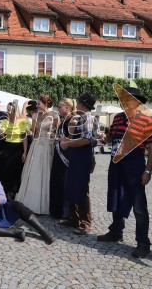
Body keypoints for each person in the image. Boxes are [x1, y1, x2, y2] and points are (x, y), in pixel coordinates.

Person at [96, 88, 152, 258]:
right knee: (116, 197)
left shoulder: (147, 120)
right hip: (116, 162)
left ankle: (143, 243)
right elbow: (111, 139)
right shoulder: (117, 118)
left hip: (134, 164)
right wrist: (105, 137)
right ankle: (116, 231)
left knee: (139, 205)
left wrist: (148, 170)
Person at [59, 93, 97, 235]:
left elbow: (87, 140)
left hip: (83, 156)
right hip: (77, 155)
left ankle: (85, 223)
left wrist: (68, 142)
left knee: (81, 188)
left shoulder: (87, 117)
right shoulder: (82, 117)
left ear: (82, 104)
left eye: (79, 102)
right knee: (71, 185)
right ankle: (74, 218)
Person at [17, 95, 58, 214]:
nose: (37, 105)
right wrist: (28, 131)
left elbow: (58, 130)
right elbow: (33, 132)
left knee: (45, 172)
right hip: (36, 145)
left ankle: (45, 203)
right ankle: (30, 202)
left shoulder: (54, 115)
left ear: (46, 105)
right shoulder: (35, 115)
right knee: (34, 172)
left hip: (48, 145)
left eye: (39, 103)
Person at [49, 98, 75, 219]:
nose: (58, 108)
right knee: (56, 182)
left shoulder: (72, 120)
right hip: (58, 155)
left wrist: (61, 140)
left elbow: (71, 140)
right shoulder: (63, 119)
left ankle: (65, 212)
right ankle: (56, 211)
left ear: (67, 107)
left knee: (62, 183)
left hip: (65, 157)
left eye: (60, 106)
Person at [0, 100, 29, 199]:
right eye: (7, 110)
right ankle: (6, 192)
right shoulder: (5, 121)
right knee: (6, 170)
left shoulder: (22, 122)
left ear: (15, 110)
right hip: (7, 147)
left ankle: (14, 192)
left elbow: (24, 138)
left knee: (16, 171)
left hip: (18, 148)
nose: (8, 112)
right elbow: (2, 135)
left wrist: (25, 151)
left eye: (10, 110)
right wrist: (1, 133)